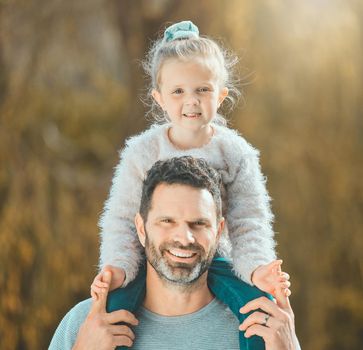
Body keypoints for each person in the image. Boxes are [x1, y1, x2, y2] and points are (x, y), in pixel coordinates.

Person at [92, 20, 289, 303]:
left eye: (202, 90)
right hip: (152, 260)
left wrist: (257, 269)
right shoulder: (141, 152)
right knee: (112, 306)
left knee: (259, 306)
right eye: (178, 91)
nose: (191, 101)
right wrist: (118, 267)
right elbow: (122, 219)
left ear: (221, 95)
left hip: (213, 261)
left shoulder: (236, 153)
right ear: (159, 99)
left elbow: (249, 220)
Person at [49, 156, 300, 350]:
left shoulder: (265, 327)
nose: (184, 238)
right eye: (167, 221)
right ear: (141, 228)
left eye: (199, 223)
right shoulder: (87, 323)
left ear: (219, 230)